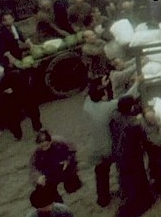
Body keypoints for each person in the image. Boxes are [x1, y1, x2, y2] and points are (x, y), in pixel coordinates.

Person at [83, 76, 140, 207]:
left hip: (95, 147)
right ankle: (125, 192)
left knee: (101, 172)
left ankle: (103, 199)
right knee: (122, 168)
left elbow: (89, 93)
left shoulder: (87, 104)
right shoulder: (108, 107)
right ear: (103, 96)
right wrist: (137, 82)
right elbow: (126, 99)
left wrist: (101, 85)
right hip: (109, 147)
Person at [109, 96, 153, 217]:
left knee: (127, 180)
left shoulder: (115, 117)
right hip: (132, 156)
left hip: (119, 154)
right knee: (138, 178)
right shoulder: (133, 125)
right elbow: (146, 140)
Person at [29, 130, 82, 205]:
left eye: (47, 145)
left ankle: (72, 185)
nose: (45, 147)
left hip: (63, 167)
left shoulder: (60, 142)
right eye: (42, 146)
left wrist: (68, 160)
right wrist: (38, 177)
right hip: (48, 173)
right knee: (45, 187)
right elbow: (33, 168)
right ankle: (57, 201)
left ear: (50, 141)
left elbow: (72, 150)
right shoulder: (36, 153)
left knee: (73, 186)